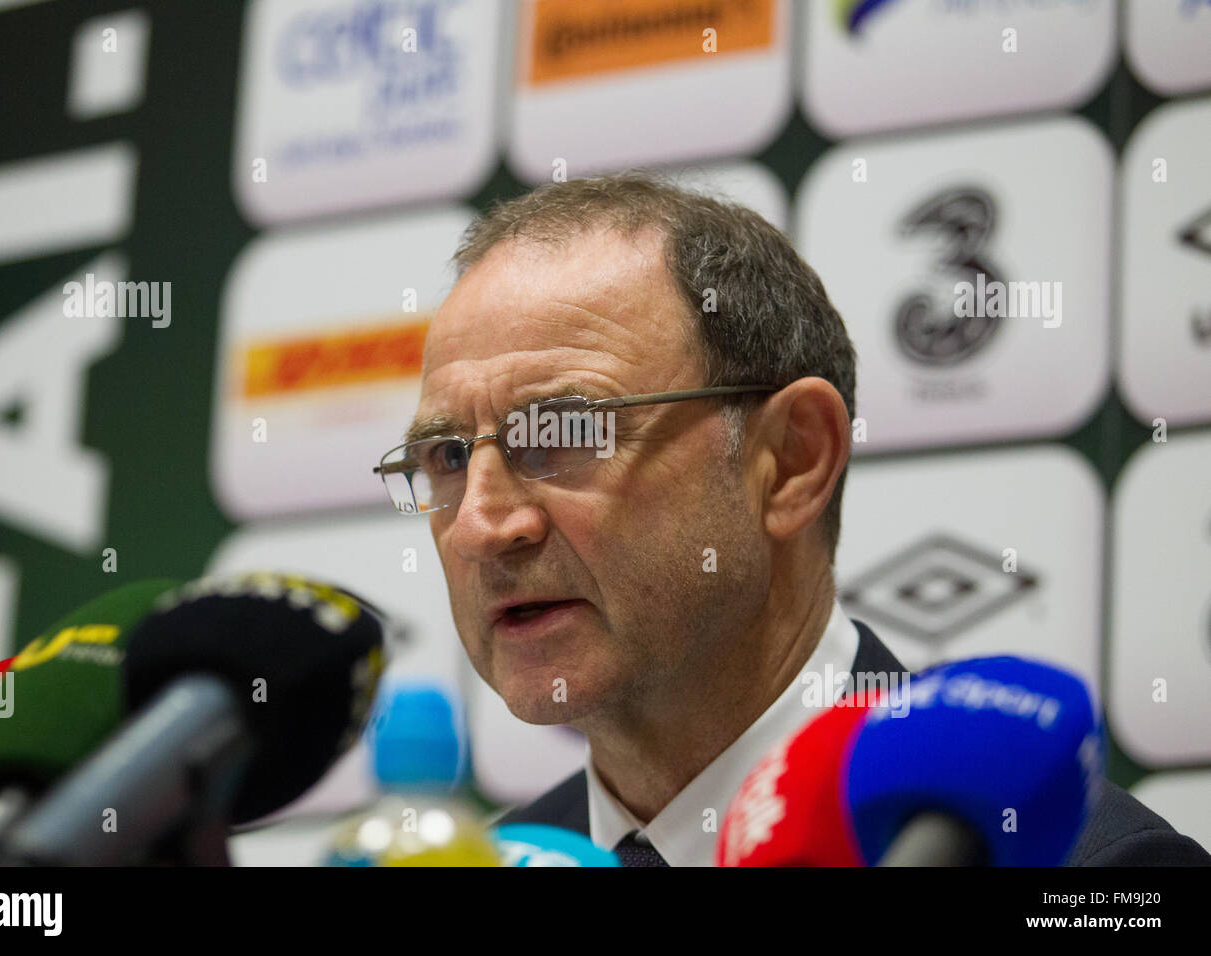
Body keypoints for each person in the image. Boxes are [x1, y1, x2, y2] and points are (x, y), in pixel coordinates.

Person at [373, 171, 1209, 867]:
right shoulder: (511, 856)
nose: (483, 524)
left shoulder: (1095, 871)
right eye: (447, 458)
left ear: (792, 460)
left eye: (559, 434)